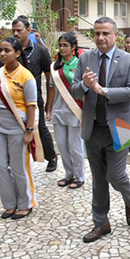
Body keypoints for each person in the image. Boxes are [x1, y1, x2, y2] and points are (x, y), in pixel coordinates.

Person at [70, 17, 130, 243]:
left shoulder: (129, 60)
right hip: (94, 127)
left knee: (116, 175)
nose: (100, 38)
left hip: (122, 126)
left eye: (105, 34)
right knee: (99, 179)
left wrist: (103, 91)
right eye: (97, 33)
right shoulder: (85, 58)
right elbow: (74, 91)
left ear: (116, 35)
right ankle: (101, 223)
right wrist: (84, 85)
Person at [0, 37, 38, 220]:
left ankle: (25, 203)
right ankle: (9, 203)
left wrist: (29, 131)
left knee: (18, 167)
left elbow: (31, 105)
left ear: (17, 53)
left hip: (18, 125)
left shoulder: (26, 76)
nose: (2, 54)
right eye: (0, 50)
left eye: (7, 50)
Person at [11, 16, 57, 172]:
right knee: (13, 133)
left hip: (34, 100)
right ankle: (10, 167)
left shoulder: (40, 51)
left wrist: (49, 106)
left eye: (19, 30)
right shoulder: (9, 50)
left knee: (40, 128)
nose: (16, 33)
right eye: (14, 31)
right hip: (12, 101)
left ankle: (51, 157)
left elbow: (50, 79)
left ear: (29, 30)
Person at [45, 34, 85, 190]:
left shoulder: (80, 64)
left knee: (75, 146)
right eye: (60, 45)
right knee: (62, 145)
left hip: (75, 110)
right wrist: (48, 110)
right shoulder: (55, 67)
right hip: (59, 110)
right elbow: (52, 90)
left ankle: (79, 176)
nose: (62, 48)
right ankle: (68, 174)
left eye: (65, 45)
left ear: (73, 47)